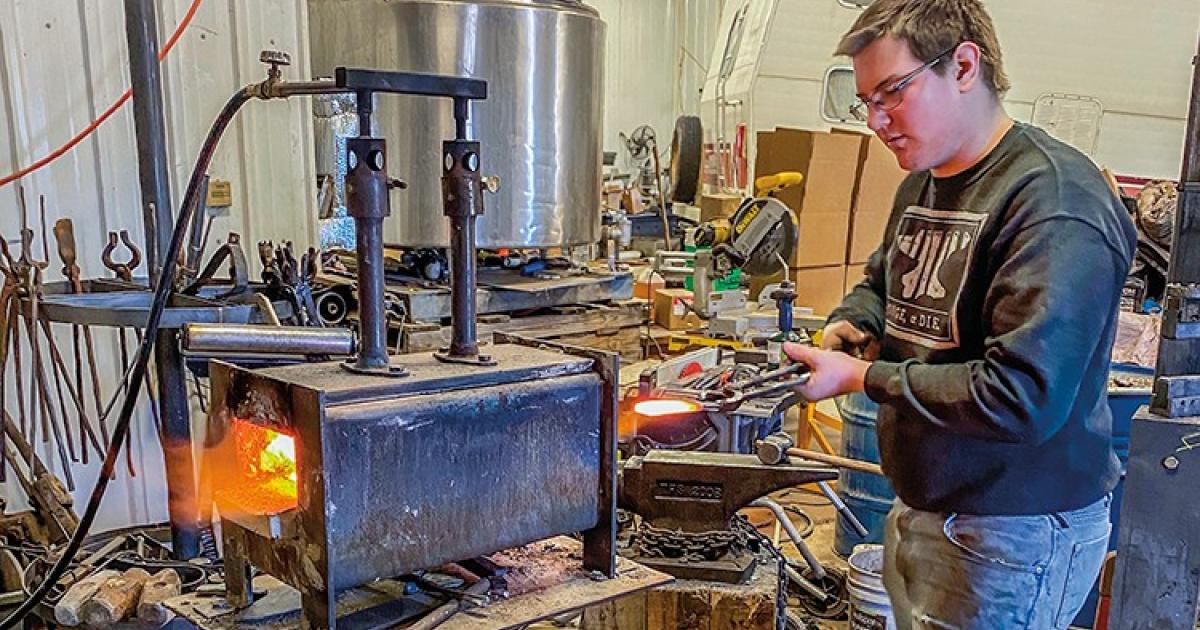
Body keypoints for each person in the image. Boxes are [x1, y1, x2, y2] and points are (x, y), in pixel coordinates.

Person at [782, 1, 1137, 628]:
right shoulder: (925, 179)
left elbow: (1022, 395)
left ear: (964, 65)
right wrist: (855, 323)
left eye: (892, 92)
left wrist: (862, 378)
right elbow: (883, 284)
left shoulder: (1054, 202)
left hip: (1013, 533)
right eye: (866, 101)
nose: (876, 120)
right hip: (928, 508)